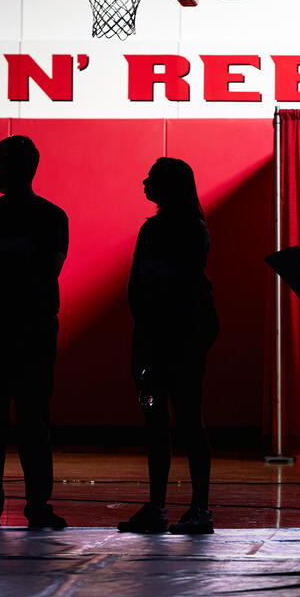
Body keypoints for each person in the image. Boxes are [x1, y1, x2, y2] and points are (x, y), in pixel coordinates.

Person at [0, 135, 68, 530]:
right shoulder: (51, 217)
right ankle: (36, 505)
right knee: (30, 422)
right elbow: (45, 270)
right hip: (29, 329)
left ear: (18, 168)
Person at [117, 158, 219, 535]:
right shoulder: (160, 230)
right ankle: (163, 507)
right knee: (160, 420)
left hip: (174, 339)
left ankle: (197, 508)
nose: (144, 182)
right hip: (155, 339)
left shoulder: (187, 230)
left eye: (152, 178)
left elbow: (169, 285)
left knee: (184, 419)